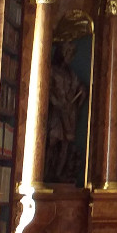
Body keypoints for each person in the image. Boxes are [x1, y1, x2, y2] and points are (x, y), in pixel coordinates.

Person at [46, 40, 85, 183]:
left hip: (69, 112)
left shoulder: (71, 74)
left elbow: (78, 87)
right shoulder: (52, 70)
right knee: (53, 140)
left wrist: (81, 90)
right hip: (57, 111)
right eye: (67, 52)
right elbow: (47, 89)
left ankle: (59, 173)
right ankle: (46, 171)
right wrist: (55, 101)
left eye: (72, 54)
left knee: (65, 143)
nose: (70, 56)